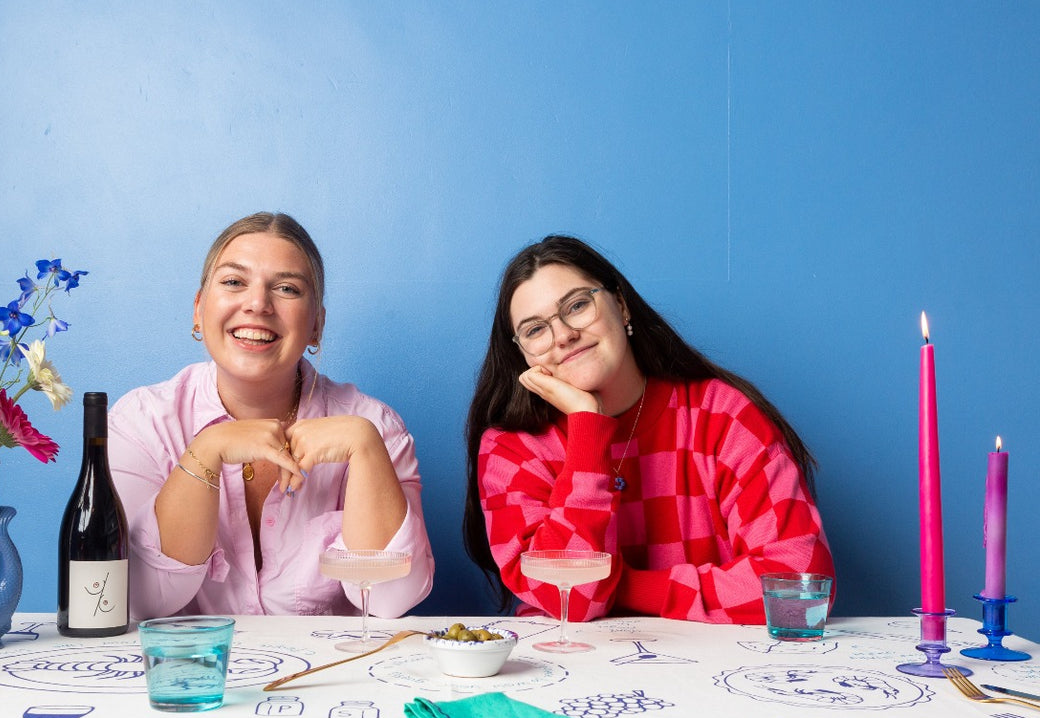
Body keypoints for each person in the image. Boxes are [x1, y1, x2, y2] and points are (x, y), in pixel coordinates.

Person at [463, 234, 833, 623]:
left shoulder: (721, 416)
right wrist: (588, 428)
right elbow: (571, 601)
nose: (563, 335)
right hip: (576, 674)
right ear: (522, 354)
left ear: (620, 305)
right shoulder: (511, 449)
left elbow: (801, 590)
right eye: (535, 330)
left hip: (710, 672)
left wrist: (625, 588)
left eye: (577, 305)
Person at [109, 212, 433, 619]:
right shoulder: (142, 423)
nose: (258, 304)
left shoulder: (377, 428)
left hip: (326, 675)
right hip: (191, 675)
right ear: (198, 309)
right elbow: (135, 600)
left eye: (286, 288)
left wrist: (366, 448)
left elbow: (392, 599)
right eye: (233, 282)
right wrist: (205, 453)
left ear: (316, 324)